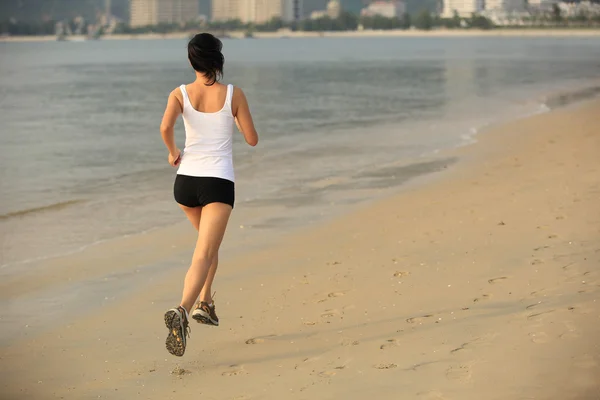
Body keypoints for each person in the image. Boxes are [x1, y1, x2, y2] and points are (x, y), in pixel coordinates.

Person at [159, 33, 259, 357]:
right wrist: (237, 121)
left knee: (208, 246)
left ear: (192, 61)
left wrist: (174, 151)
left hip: (185, 182)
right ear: (219, 60)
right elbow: (252, 139)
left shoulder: (179, 94)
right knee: (203, 254)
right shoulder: (234, 94)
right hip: (217, 184)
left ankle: (207, 304)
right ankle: (183, 310)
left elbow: (164, 128)